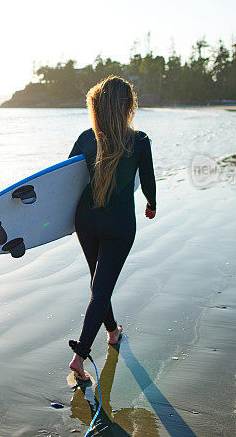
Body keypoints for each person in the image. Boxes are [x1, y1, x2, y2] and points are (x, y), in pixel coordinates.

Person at [67, 75, 157, 381]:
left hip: (86, 220)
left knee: (98, 285)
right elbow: (148, 181)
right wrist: (152, 205)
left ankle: (113, 331)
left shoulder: (85, 138)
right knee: (101, 288)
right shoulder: (139, 140)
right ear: (128, 106)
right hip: (119, 224)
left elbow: (65, 182)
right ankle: (80, 356)